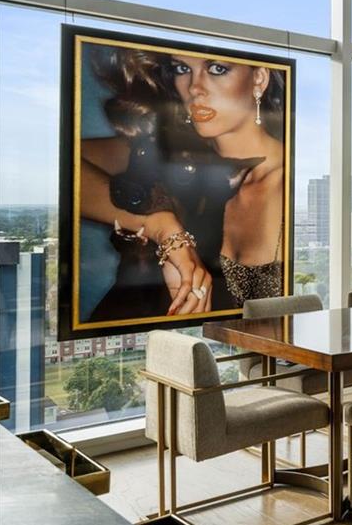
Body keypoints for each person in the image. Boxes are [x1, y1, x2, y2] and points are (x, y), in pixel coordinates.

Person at [79, 44, 287, 320]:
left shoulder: (292, 184)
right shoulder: (160, 154)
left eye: (217, 69)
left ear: (259, 78)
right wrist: (162, 228)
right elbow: (63, 162)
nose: (194, 88)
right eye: (181, 68)